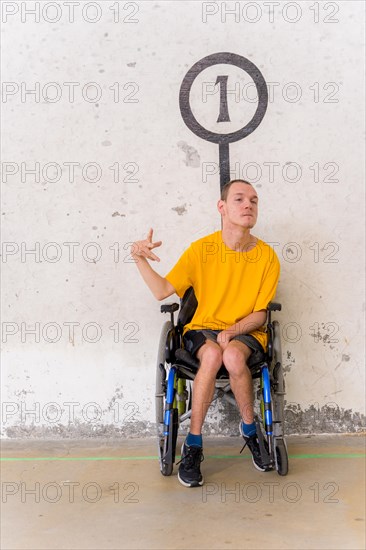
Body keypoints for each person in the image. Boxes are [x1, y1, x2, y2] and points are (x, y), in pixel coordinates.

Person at [131, 179, 280, 488]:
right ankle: (193, 444)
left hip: (246, 331)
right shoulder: (202, 250)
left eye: (254, 200)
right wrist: (138, 257)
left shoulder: (267, 257)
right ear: (222, 207)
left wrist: (234, 330)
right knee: (213, 353)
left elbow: (261, 313)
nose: (248, 205)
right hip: (203, 330)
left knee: (234, 356)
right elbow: (161, 291)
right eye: (239, 199)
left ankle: (250, 431)